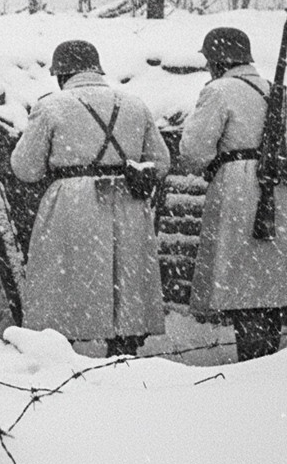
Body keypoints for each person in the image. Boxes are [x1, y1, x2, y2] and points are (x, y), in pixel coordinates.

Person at [10, 40, 171, 357]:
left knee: (65, 284)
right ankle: (124, 355)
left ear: (62, 74)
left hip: (72, 203)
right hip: (128, 201)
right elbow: (161, 162)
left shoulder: (52, 106)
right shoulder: (135, 105)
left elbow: (25, 168)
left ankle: (60, 357)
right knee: (124, 281)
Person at [178, 27, 287, 362]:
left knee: (245, 286)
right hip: (280, 190)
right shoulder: (279, 93)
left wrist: (219, 162)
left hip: (239, 191)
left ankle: (253, 364)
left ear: (217, 61)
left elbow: (194, 152)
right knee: (269, 286)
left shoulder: (218, 91)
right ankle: (266, 358)